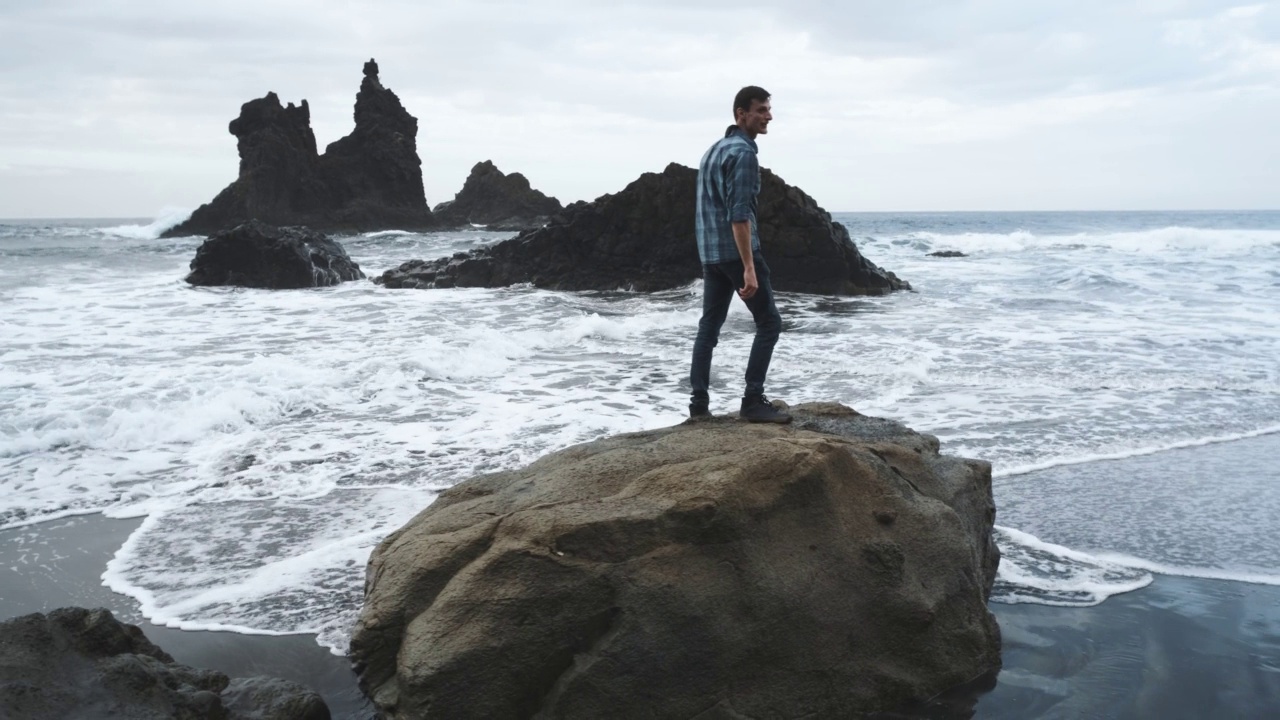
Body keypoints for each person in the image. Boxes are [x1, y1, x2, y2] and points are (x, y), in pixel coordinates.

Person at [688, 86, 791, 423]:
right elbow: (739, 214)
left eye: (768, 110)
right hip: (736, 254)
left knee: (709, 327)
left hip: (711, 255)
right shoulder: (744, 154)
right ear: (740, 113)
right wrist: (748, 266)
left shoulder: (712, 151)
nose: (768, 116)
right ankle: (753, 400)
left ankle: (699, 406)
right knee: (769, 323)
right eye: (761, 110)